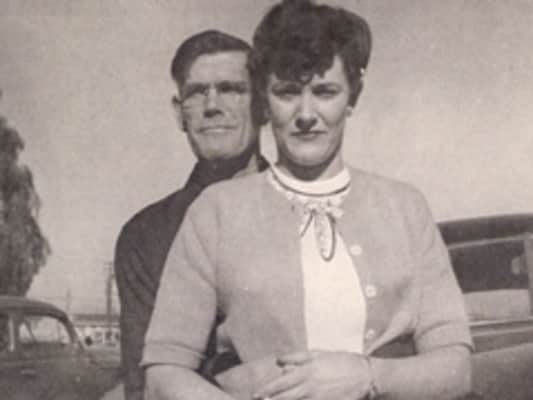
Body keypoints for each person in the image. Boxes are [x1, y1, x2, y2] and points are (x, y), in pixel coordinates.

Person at [142, 1, 473, 399]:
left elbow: (456, 369)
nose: (305, 114)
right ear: (265, 101)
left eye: (325, 92)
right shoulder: (216, 212)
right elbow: (164, 373)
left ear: (353, 97)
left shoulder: (405, 208)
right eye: (287, 92)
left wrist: (367, 377)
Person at [114, 30, 268, 400]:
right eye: (197, 92)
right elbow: (145, 382)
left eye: (231, 89)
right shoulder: (146, 236)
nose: (212, 105)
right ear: (178, 112)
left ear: (264, 104)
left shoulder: (308, 207)